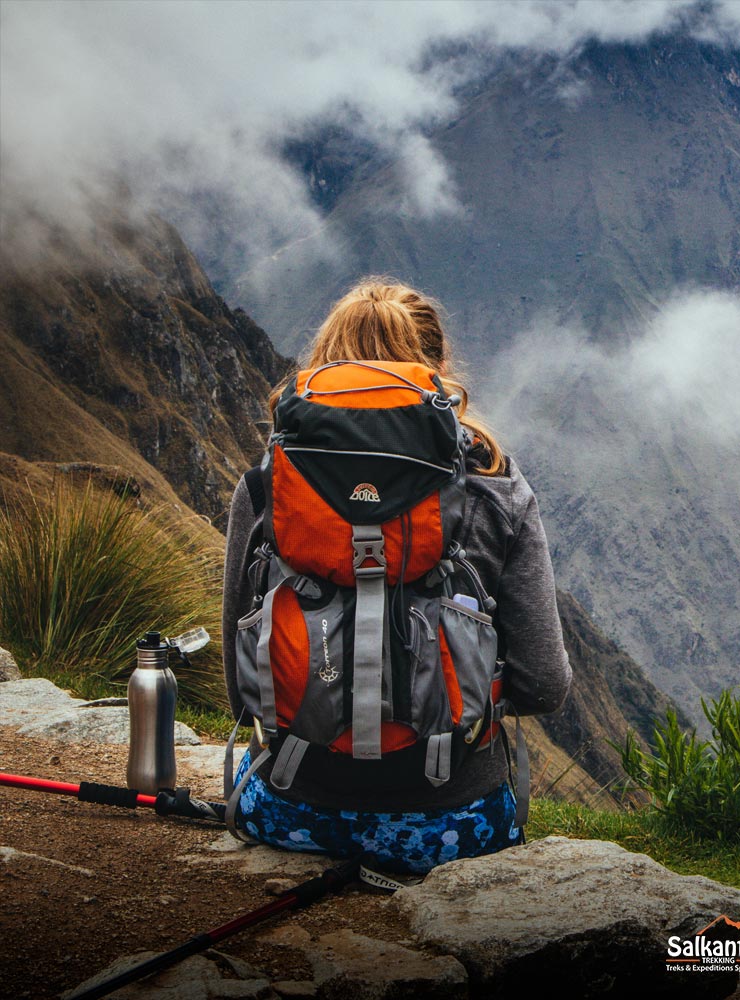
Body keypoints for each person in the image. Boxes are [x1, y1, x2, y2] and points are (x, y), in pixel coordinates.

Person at [221, 277, 571, 873]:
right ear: (438, 369)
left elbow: (240, 682)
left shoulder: (268, 487)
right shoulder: (495, 490)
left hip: (292, 811)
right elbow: (545, 685)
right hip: (456, 824)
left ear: (323, 367)